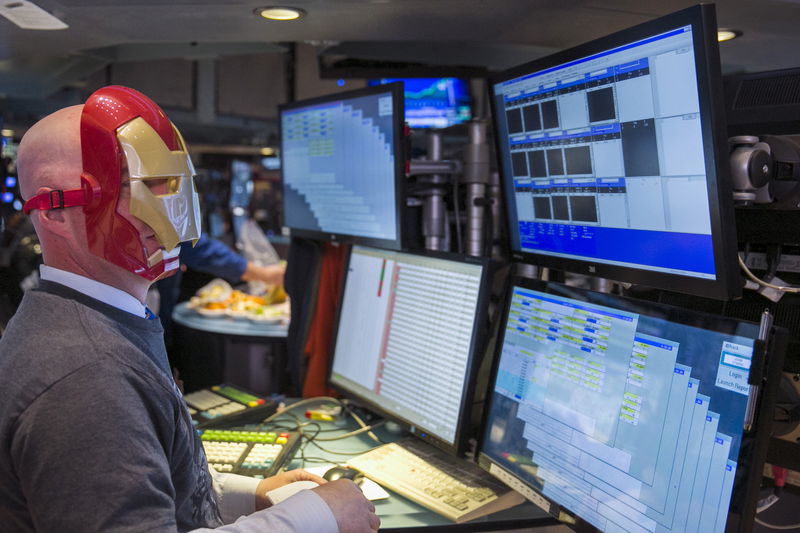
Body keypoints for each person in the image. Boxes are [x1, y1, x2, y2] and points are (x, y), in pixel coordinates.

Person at [0, 86, 379, 533]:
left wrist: (250, 494)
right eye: (143, 187)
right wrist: (316, 519)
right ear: (56, 215)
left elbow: (145, 478)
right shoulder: (86, 374)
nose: (170, 210)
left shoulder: (92, 321)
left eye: (173, 184)